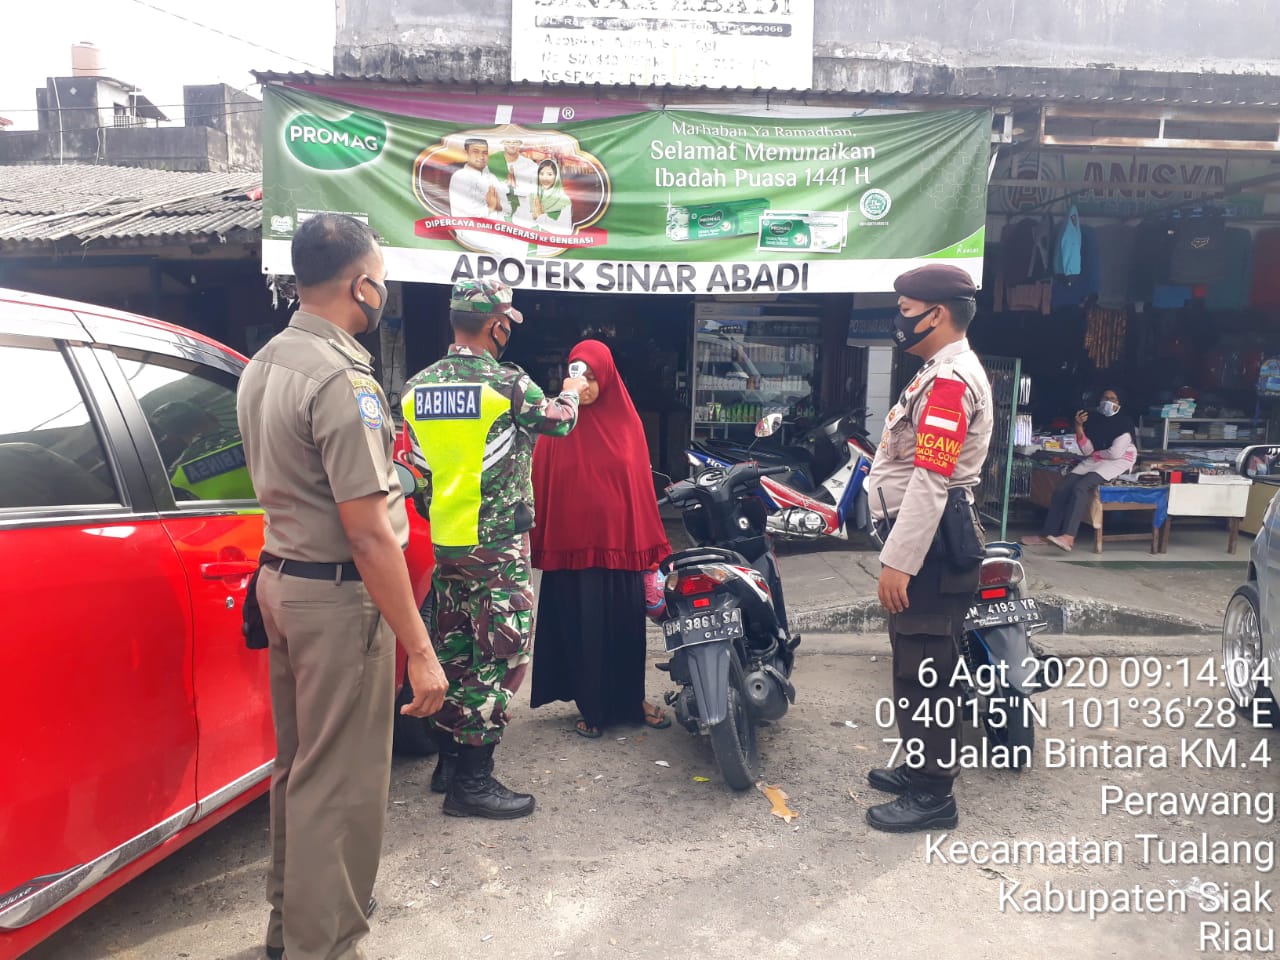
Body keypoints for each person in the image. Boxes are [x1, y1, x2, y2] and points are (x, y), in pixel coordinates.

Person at [236, 213, 448, 960]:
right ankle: (325, 945)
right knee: (345, 786)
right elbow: (366, 531)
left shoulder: (267, 362)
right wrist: (419, 649)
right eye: (382, 280)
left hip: (283, 583)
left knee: (300, 771)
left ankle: (288, 931)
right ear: (362, 284)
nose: (383, 291)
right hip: (335, 599)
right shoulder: (340, 375)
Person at [401, 278, 587, 819]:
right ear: (496, 326)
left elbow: (415, 467)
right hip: (498, 544)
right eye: (506, 323)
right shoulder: (507, 384)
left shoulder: (417, 387)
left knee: (455, 649)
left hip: (445, 544)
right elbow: (561, 422)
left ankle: (448, 764)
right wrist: (572, 389)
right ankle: (473, 784)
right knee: (500, 655)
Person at [863, 264, 993, 833]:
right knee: (915, 661)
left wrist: (899, 562)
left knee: (927, 668)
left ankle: (934, 795)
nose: (899, 320)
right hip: (929, 537)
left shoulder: (949, 382)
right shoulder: (936, 371)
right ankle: (921, 769)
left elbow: (931, 481)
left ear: (937, 314)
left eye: (906, 310)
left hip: (933, 543)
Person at [528, 340, 672, 738]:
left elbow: (638, 489)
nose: (585, 386)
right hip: (573, 553)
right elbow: (542, 479)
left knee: (625, 630)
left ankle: (630, 701)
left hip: (620, 551)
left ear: (606, 377)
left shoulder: (627, 423)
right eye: (578, 375)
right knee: (582, 628)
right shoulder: (559, 423)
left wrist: (646, 546)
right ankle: (591, 707)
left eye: (592, 377)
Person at [1023, 388, 1137, 552]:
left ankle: (1069, 537)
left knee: (1081, 487)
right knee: (1062, 488)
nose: (1108, 401)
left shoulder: (1124, 422)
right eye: (1105, 397)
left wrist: (1096, 454)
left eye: (1113, 398)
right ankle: (1046, 534)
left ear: (1119, 403)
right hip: (1098, 458)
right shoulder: (1095, 420)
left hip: (1119, 460)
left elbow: (1115, 453)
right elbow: (1087, 450)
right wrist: (1078, 426)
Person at [447, 138, 522, 258]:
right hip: (472, 233)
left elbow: (506, 207)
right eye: (476, 151)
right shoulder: (460, 177)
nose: (481, 156)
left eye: (485, 152)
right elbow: (463, 214)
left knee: (520, 246)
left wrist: (498, 205)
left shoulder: (490, 177)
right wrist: (490, 208)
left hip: (497, 231)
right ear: (466, 154)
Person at [489, 138, 539, 217]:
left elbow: (537, 189)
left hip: (523, 212)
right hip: (498, 212)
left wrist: (515, 189)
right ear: (503, 144)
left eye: (515, 142)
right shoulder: (492, 162)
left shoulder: (530, 165)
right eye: (508, 142)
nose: (512, 145)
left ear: (520, 144)